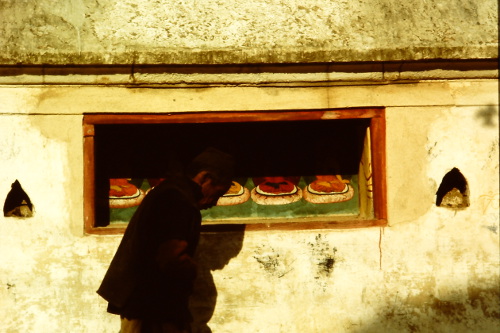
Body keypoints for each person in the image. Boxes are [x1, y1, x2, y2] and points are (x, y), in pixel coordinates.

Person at [97, 147, 235, 333]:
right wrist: (193, 270)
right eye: (218, 193)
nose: (214, 202)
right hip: (152, 310)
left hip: (146, 306)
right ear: (205, 178)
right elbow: (172, 257)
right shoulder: (178, 200)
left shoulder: (169, 191)